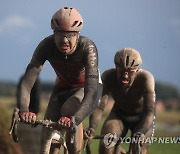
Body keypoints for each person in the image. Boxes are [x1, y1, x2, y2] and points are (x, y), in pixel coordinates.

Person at [17, 6, 101, 154]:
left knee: (69, 109)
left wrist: (75, 119)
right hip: (62, 88)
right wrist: (25, 110)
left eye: (70, 35)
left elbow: (91, 92)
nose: (64, 40)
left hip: (86, 89)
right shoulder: (46, 45)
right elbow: (27, 82)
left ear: (78, 35)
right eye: (60, 35)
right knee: (47, 138)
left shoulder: (88, 48)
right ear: (53, 34)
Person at [84, 48, 156, 154]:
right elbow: (99, 106)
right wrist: (92, 128)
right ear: (116, 68)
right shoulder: (108, 76)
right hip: (119, 115)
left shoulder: (146, 78)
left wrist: (141, 132)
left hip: (142, 117)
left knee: (138, 149)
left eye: (130, 72)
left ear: (137, 70)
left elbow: (149, 111)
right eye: (121, 71)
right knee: (106, 146)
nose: (125, 76)